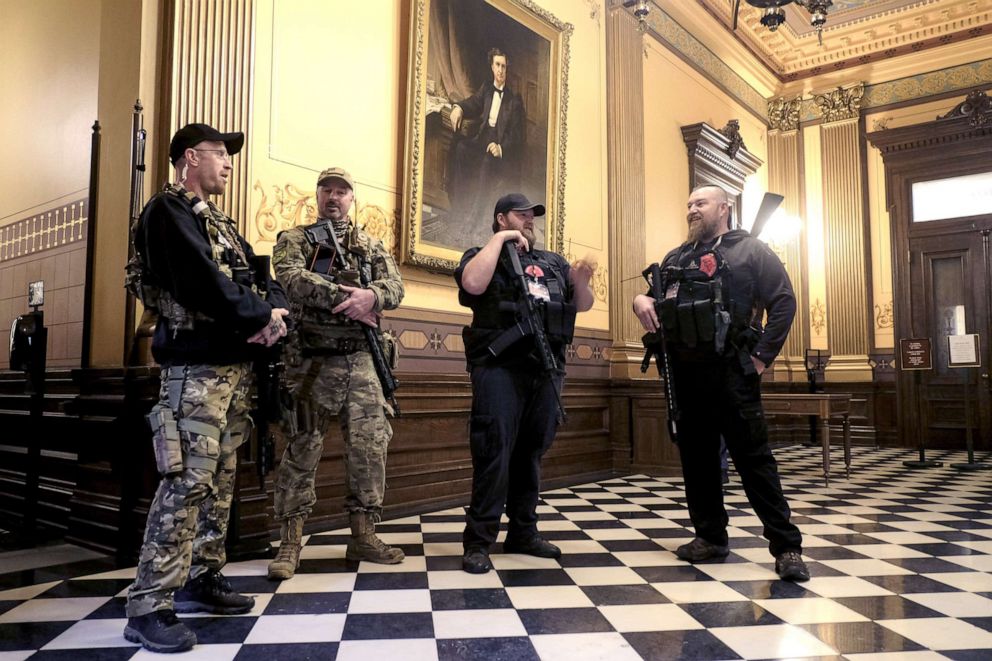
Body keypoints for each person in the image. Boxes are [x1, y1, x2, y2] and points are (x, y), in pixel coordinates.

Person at [124, 123, 289, 653]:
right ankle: (149, 603)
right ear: (190, 158)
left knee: (219, 481)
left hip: (233, 369)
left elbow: (255, 275)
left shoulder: (217, 221)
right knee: (186, 482)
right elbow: (201, 282)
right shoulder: (167, 212)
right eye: (221, 155)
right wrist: (260, 315)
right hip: (194, 372)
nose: (229, 164)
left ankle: (201, 576)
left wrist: (272, 311)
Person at [632, 184, 809, 582]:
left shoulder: (752, 252)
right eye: (689, 203)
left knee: (755, 462)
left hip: (734, 373)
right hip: (685, 375)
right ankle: (710, 538)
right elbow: (652, 299)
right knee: (697, 462)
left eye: (701, 203)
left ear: (724, 208)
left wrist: (762, 357)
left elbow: (784, 302)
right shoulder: (677, 257)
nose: (692, 209)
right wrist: (640, 301)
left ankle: (787, 548)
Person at [267, 166, 405, 580]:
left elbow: (395, 287)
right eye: (327, 189)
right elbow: (289, 278)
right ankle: (290, 543)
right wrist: (350, 300)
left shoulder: (372, 245)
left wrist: (373, 295)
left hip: (363, 363)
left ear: (352, 198)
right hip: (311, 362)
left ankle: (364, 535)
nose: (334, 196)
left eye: (342, 190)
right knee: (301, 450)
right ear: (317, 195)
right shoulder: (294, 239)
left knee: (369, 449)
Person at [456, 193, 595, 574]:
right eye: (522, 215)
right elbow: (472, 283)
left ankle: (523, 531)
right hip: (499, 368)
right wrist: (500, 242)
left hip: (546, 369)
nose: (531, 220)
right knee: (494, 451)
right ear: (501, 218)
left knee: (531, 452)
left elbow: (581, 304)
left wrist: (581, 280)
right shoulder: (481, 254)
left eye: (533, 215)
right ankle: (479, 541)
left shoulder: (552, 261)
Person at [447, 48, 525, 244]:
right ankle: (458, 209)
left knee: (486, 165)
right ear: (492, 66)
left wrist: (501, 148)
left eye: (504, 67)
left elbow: (518, 136)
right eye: (497, 65)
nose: (500, 70)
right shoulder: (487, 89)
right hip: (483, 138)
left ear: (507, 69)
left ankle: (472, 222)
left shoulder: (514, 100)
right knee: (461, 150)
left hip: (499, 145)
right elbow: (474, 103)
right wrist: (459, 107)